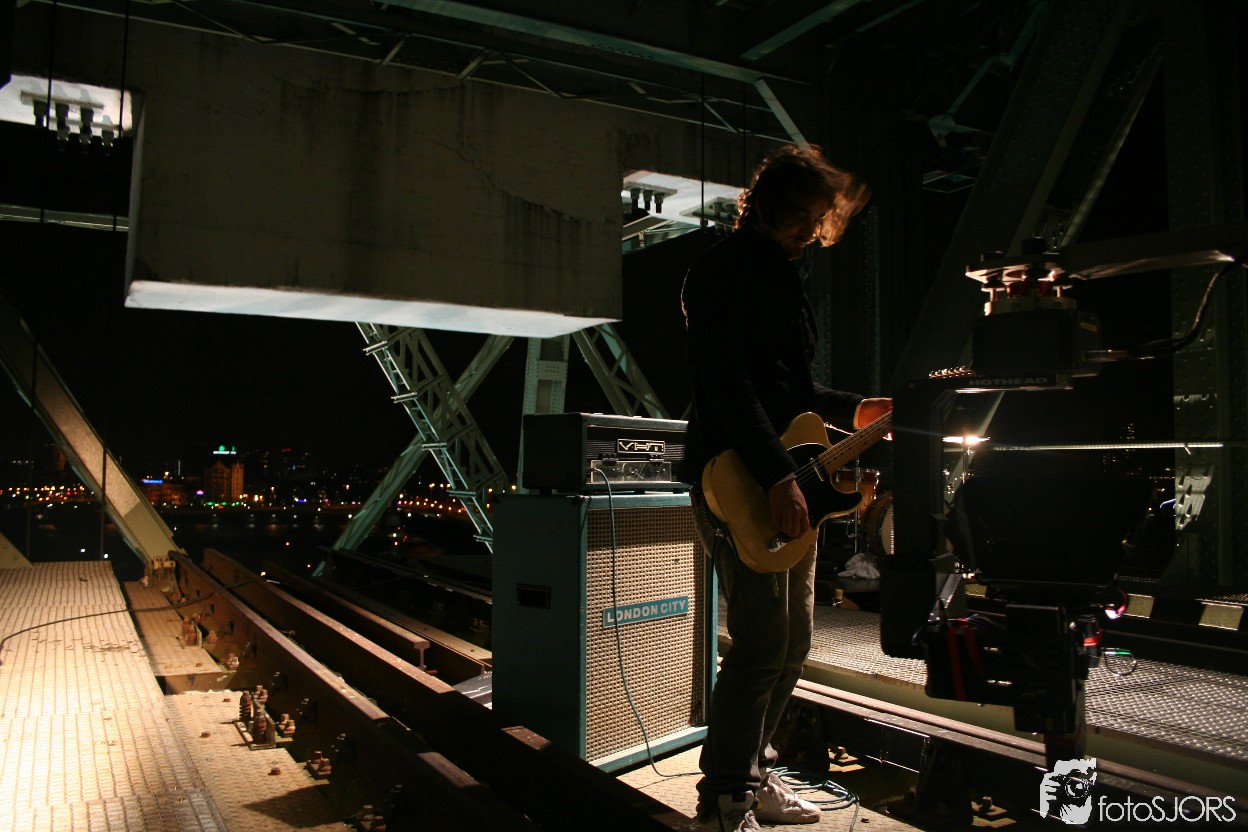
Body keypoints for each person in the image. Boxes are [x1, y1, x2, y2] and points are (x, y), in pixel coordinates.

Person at [681, 144, 891, 832]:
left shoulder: (782, 274)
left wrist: (858, 409)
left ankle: (751, 773)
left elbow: (791, 391)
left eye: (818, 216)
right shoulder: (721, 269)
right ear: (766, 203)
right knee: (761, 645)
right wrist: (777, 476)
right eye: (801, 214)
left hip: (786, 478)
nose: (812, 228)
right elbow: (727, 384)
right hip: (740, 478)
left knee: (794, 641)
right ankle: (724, 801)